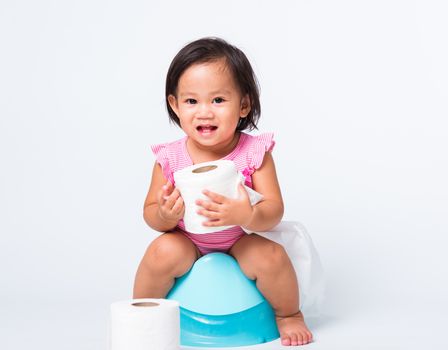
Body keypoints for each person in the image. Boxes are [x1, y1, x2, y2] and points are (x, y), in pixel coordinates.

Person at [133, 37, 313, 346]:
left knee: (271, 256)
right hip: (188, 239)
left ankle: (288, 314)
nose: (204, 112)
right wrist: (163, 214)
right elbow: (150, 211)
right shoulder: (170, 157)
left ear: (243, 104)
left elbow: (274, 209)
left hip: (239, 239)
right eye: (192, 102)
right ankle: (143, 315)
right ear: (175, 104)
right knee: (161, 251)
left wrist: (248, 214)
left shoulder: (254, 153)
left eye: (218, 100)